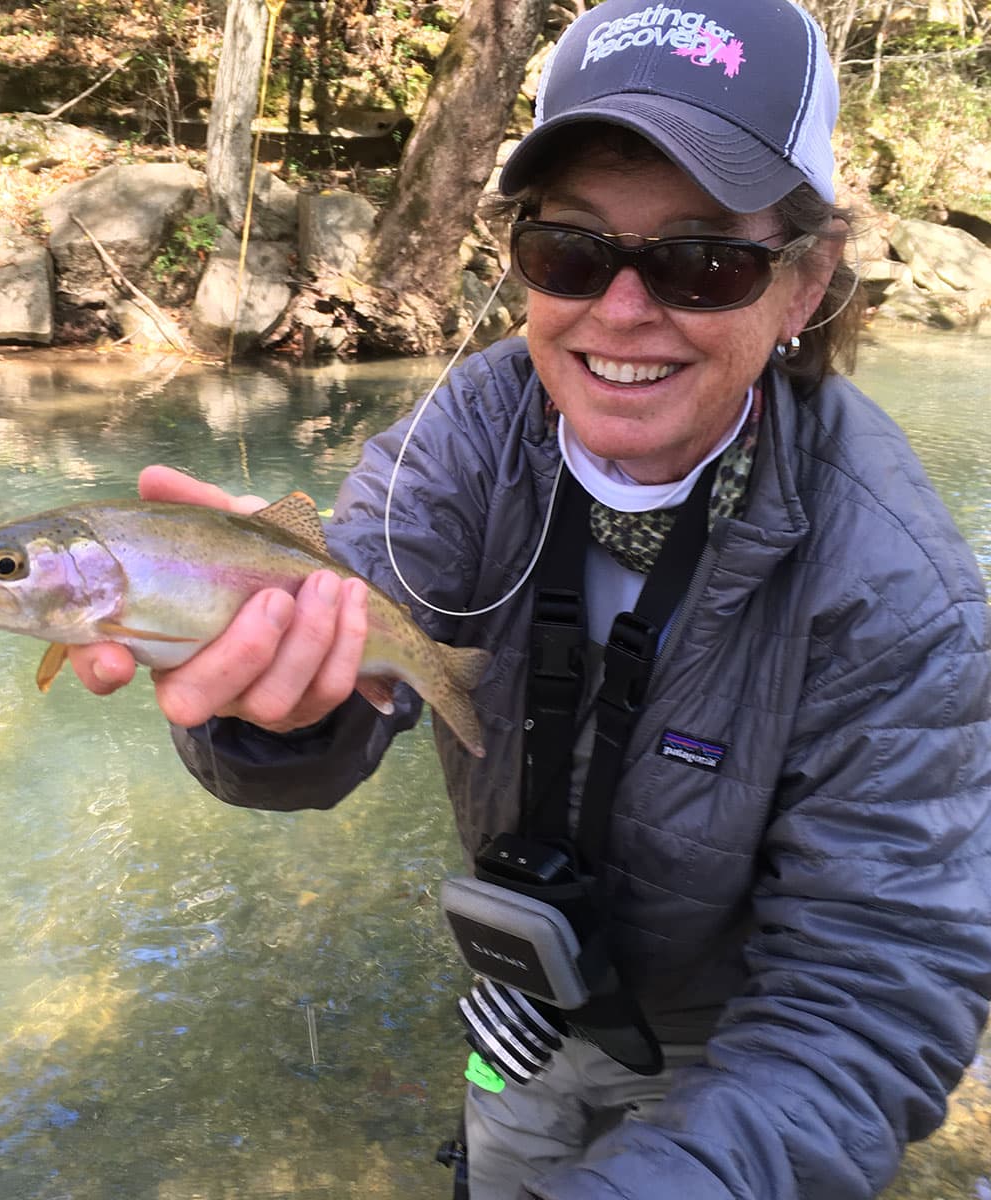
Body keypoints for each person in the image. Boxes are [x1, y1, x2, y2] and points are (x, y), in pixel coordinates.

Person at [67, 0, 991, 1195]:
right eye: (570, 251)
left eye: (704, 261)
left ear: (805, 284)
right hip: (522, 1011)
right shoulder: (471, 429)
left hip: (744, 1068)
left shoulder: (898, 594)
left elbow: (871, 1005)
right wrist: (271, 718)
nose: (619, 310)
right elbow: (362, 623)